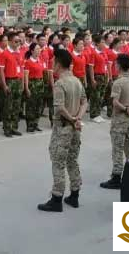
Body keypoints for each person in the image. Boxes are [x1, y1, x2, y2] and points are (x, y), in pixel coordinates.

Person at [38, 49, 86, 213]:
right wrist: (78, 118)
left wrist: (72, 119)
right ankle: (75, 194)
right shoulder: (76, 81)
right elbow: (84, 102)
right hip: (75, 128)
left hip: (63, 128)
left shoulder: (60, 83)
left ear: (58, 64)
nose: (52, 64)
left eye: (54, 61)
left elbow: (59, 107)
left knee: (58, 162)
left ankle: (57, 198)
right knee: (72, 160)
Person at [100, 54, 129, 190]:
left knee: (117, 148)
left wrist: (125, 109)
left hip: (119, 120)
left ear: (119, 66)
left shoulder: (118, 82)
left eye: (116, 64)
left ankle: (116, 177)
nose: (115, 66)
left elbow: (115, 102)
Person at [0, 32, 23, 137]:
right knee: (8, 106)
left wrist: (22, 83)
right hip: (10, 81)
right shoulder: (5, 54)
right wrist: (4, 85)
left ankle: (14, 127)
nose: (18, 43)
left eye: (19, 41)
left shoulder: (19, 53)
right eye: (16, 41)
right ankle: (7, 128)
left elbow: (21, 69)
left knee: (17, 106)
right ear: (10, 42)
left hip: (18, 81)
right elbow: (1, 71)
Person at [23, 43, 45, 133]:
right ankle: (30, 125)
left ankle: (36, 123)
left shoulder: (40, 60)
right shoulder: (28, 62)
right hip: (32, 84)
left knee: (39, 105)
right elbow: (26, 76)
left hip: (40, 84)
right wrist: (26, 88)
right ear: (32, 51)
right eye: (37, 49)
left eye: (39, 49)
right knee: (31, 106)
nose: (39, 51)